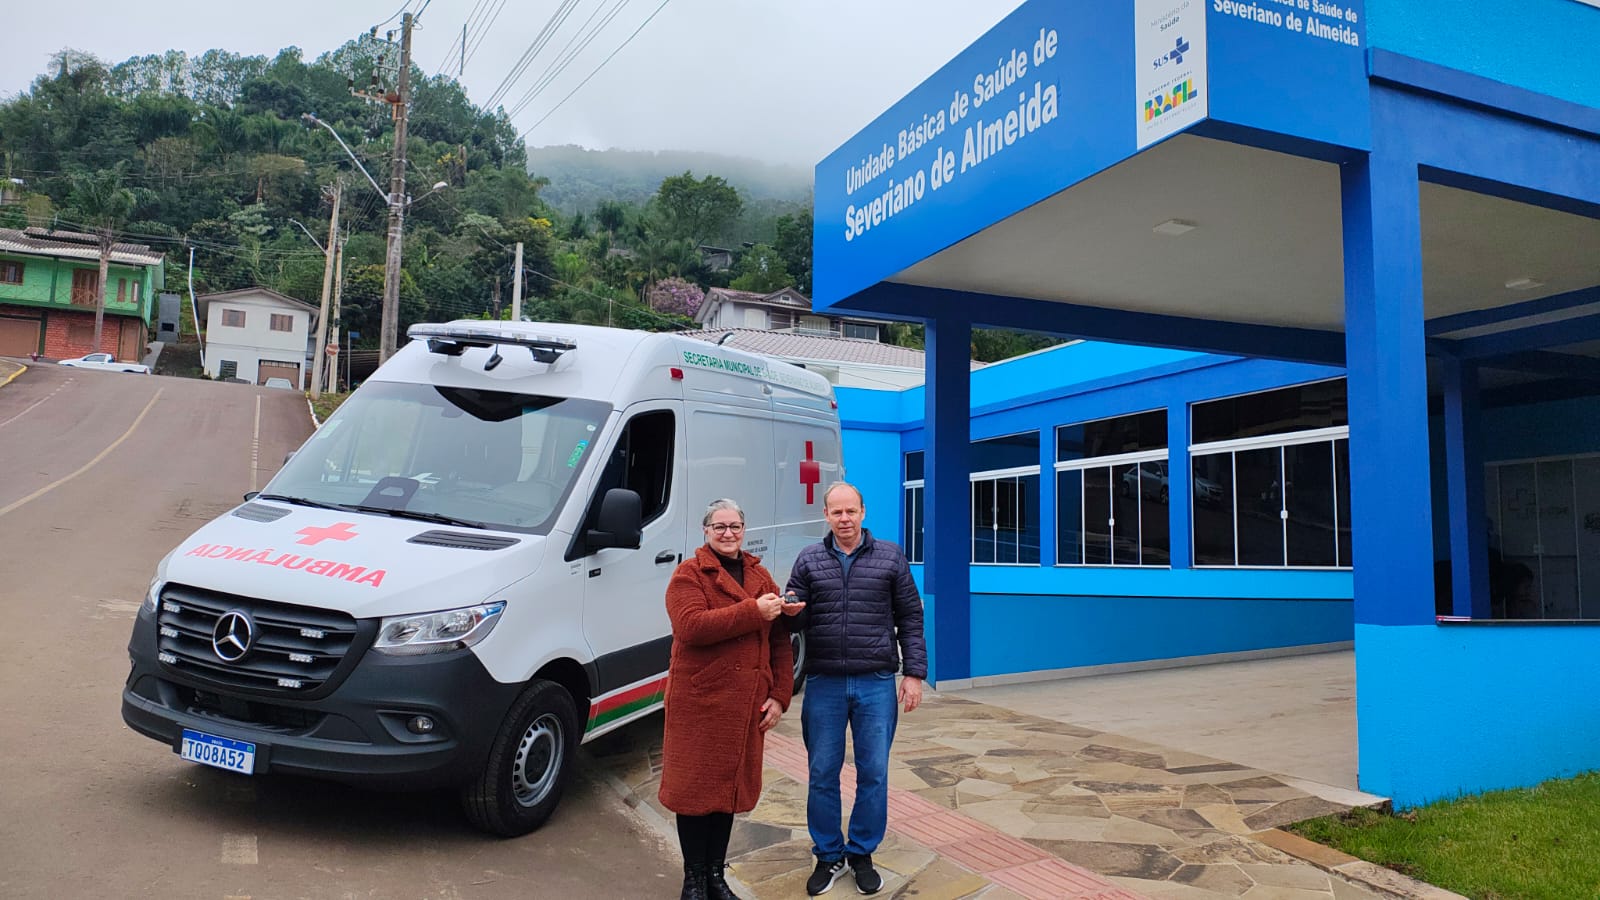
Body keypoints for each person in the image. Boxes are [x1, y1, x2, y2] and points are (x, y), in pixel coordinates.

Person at [784, 482, 927, 896]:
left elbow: (910, 616)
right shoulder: (808, 559)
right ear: (826, 515)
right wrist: (789, 611)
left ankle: (862, 852)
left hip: (875, 682)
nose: (844, 519)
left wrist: (914, 673)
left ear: (863, 512)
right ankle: (829, 854)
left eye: (851, 511)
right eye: (837, 512)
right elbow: (794, 619)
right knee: (821, 773)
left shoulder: (890, 556)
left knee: (874, 774)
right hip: (824, 682)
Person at [659, 498, 799, 900]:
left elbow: (779, 641)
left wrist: (779, 696)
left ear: (743, 530)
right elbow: (690, 626)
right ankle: (694, 881)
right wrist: (753, 611)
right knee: (693, 792)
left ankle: (716, 878)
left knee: (727, 793)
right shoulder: (689, 574)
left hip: (745, 706)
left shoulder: (760, 575)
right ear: (705, 531)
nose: (728, 533)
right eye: (719, 526)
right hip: (699, 704)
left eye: (735, 526)